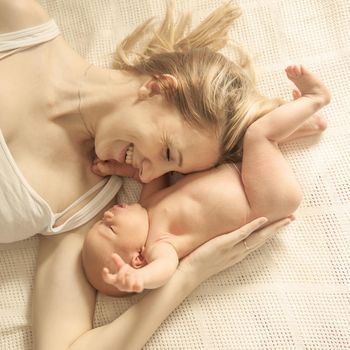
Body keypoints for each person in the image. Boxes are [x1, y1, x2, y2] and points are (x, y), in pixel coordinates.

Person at [0, 1, 325, 349]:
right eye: (168, 152)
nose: (148, 172)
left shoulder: (86, 211)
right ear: (159, 88)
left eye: (172, 171)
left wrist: (188, 275)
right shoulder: (21, 26)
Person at [82, 65, 331, 295]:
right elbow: (164, 270)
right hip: (262, 200)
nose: (108, 215)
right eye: (110, 227)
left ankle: (309, 122)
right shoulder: (160, 244)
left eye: (100, 221)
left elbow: (143, 172)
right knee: (258, 136)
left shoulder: (148, 203)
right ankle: (316, 97)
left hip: (245, 176)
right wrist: (141, 279)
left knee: (243, 141)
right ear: (137, 258)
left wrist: (117, 167)